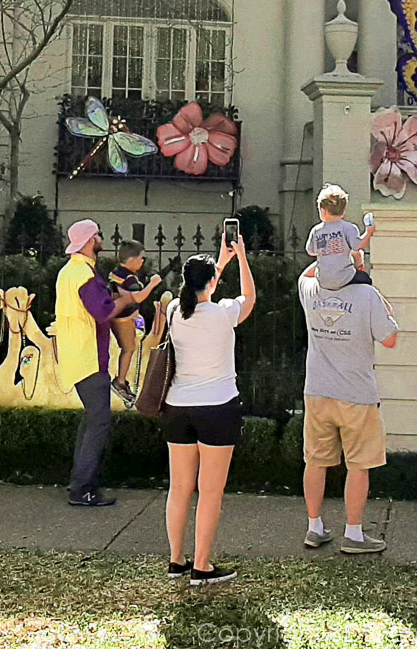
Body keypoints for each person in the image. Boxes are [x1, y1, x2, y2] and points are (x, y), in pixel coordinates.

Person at [163, 233, 255, 586]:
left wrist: (220, 260)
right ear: (212, 283)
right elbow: (249, 297)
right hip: (217, 408)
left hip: (177, 408)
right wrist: (241, 257)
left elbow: (201, 287)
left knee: (180, 488)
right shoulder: (223, 313)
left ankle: (176, 560)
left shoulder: (174, 310)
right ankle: (202, 565)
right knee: (210, 491)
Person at [298, 258, 398, 553]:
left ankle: (314, 527)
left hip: (317, 390)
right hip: (356, 394)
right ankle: (353, 533)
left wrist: (327, 255)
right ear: (354, 265)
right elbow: (390, 339)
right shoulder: (367, 296)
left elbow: (306, 274)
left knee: (315, 460)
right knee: (359, 464)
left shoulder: (310, 289)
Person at [55, 219, 137, 507]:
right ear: (91, 240)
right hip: (90, 358)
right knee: (99, 423)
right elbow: (103, 313)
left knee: (91, 421)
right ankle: (83, 490)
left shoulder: (69, 272)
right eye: (99, 235)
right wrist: (126, 301)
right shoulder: (85, 276)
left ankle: (78, 483)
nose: (102, 238)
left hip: (76, 355)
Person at [107, 240, 162, 405]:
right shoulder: (128, 278)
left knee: (132, 345)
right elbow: (137, 297)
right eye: (141, 258)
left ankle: (123, 381)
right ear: (132, 260)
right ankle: (120, 381)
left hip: (126, 317)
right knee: (128, 348)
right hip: (123, 319)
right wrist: (152, 284)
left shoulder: (117, 273)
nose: (143, 262)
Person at [302, 183, 375, 290]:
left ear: (323, 211)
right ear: (343, 211)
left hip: (323, 279)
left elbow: (310, 251)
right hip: (344, 278)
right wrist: (369, 232)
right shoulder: (349, 228)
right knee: (365, 279)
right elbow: (357, 246)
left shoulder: (316, 231)